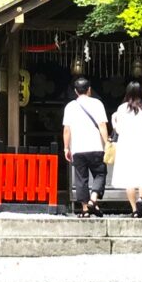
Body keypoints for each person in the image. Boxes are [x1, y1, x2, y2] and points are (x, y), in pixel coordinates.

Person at [110, 81, 142, 218]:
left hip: (126, 146)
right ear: (141, 92)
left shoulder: (121, 109)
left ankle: (134, 210)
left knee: (129, 178)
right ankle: (141, 198)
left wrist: (113, 121)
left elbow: (119, 129)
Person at [62, 76, 109, 217]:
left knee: (81, 178)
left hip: (78, 148)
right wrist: (106, 143)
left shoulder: (70, 106)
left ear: (76, 91)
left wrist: (66, 148)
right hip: (95, 146)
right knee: (100, 173)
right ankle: (93, 199)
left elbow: (66, 130)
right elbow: (102, 125)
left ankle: (85, 209)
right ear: (89, 90)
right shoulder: (97, 104)